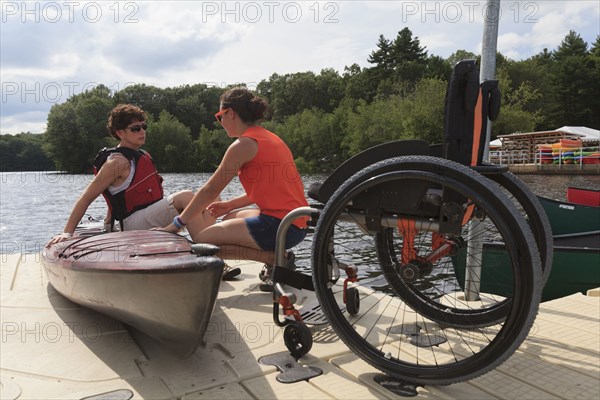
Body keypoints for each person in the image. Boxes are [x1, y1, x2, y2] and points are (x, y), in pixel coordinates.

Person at [44, 104, 239, 279]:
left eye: (144, 126)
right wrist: (67, 233)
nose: (142, 132)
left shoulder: (142, 155)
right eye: (135, 129)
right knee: (186, 196)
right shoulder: (116, 163)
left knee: (212, 198)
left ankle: (208, 249)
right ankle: (211, 261)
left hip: (147, 220)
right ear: (120, 133)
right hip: (130, 225)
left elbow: (124, 195)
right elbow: (86, 198)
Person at [158, 88, 309, 291]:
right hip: (295, 222)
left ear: (230, 113)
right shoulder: (270, 138)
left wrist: (176, 224)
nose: (219, 122)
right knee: (229, 217)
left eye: (220, 117)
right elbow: (268, 190)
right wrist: (229, 204)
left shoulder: (243, 145)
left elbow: (210, 189)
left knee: (203, 243)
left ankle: (275, 258)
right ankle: (279, 257)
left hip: (281, 227)